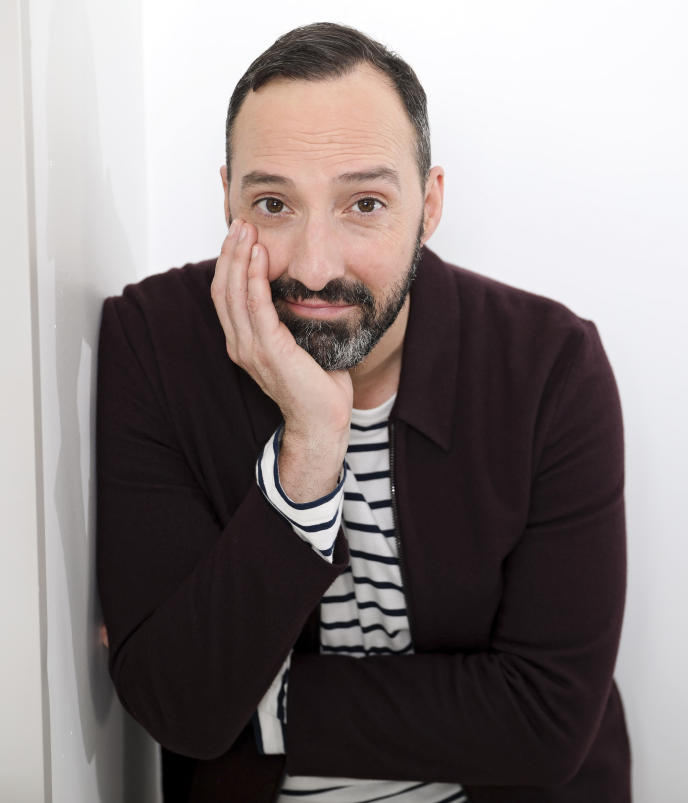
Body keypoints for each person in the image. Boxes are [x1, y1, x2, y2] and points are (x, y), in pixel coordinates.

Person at [96, 22, 629, 803]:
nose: (316, 265)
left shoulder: (550, 366)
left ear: (431, 203)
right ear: (227, 198)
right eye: (273, 203)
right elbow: (182, 706)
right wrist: (309, 453)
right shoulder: (151, 343)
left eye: (365, 203)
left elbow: (545, 720)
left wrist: (268, 700)